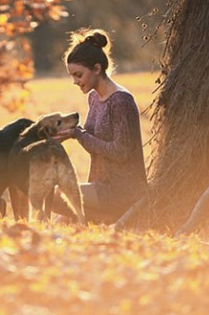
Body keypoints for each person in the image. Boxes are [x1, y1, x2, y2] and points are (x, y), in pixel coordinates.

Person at [53, 28, 148, 223]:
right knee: (60, 221)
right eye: (73, 76)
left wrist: (78, 135)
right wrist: (69, 134)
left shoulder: (121, 101)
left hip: (123, 189)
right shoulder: (94, 98)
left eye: (78, 75)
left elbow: (121, 152)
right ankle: (109, 219)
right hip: (100, 185)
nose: (75, 81)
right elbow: (96, 146)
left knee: (53, 195)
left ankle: (118, 216)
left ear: (97, 69)